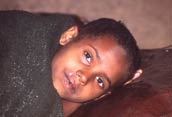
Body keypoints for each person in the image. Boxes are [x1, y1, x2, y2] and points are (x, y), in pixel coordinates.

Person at [0, 10, 142, 117]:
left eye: (100, 81)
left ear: (101, 96)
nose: (84, 77)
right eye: (88, 56)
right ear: (68, 36)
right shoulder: (24, 37)